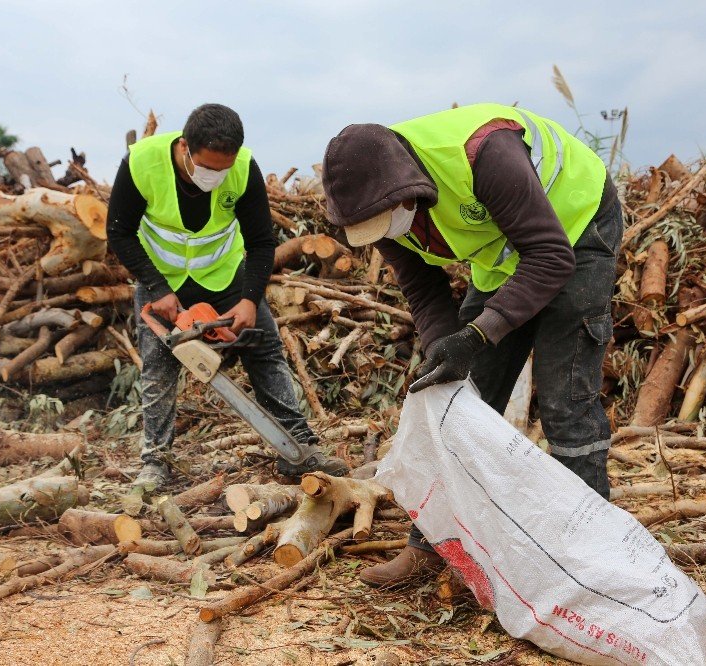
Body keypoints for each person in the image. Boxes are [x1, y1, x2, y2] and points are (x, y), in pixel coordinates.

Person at [321, 103, 622, 586]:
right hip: (508, 257)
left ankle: (590, 560)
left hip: (574, 228)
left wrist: (480, 332)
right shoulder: (376, 201)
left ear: (405, 190)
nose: (382, 235)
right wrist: (450, 347)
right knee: (455, 403)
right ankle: (430, 546)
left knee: (566, 402)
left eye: (382, 222)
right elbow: (423, 288)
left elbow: (548, 255)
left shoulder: (485, 153)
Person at [106, 103, 348, 490]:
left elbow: (261, 241)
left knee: (265, 350)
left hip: (225, 276)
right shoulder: (142, 163)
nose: (215, 177)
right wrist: (156, 287)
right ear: (185, 147)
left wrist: (250, 298)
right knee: (158, 366)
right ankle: (155, 461)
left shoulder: (243, 169)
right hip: (162, 281)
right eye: (208, 168)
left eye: (223, 169)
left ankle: (299, 446)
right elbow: (119, 232)